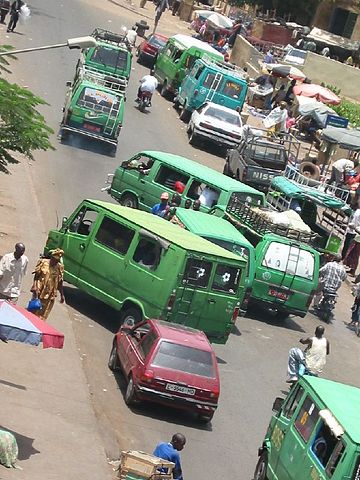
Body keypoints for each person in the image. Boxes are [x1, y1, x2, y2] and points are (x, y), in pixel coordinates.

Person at [30, 248, 65, 320]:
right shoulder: (43, 262)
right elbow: (36, 275)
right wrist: (34, 285)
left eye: (57, 261)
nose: (55, 262)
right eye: (54, 260)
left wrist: (62, 294)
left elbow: (60, 282)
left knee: (43, 315)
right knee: (33, 311)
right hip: (39, 291)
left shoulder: (60, 267)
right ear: (51, 257)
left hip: (50, 294)